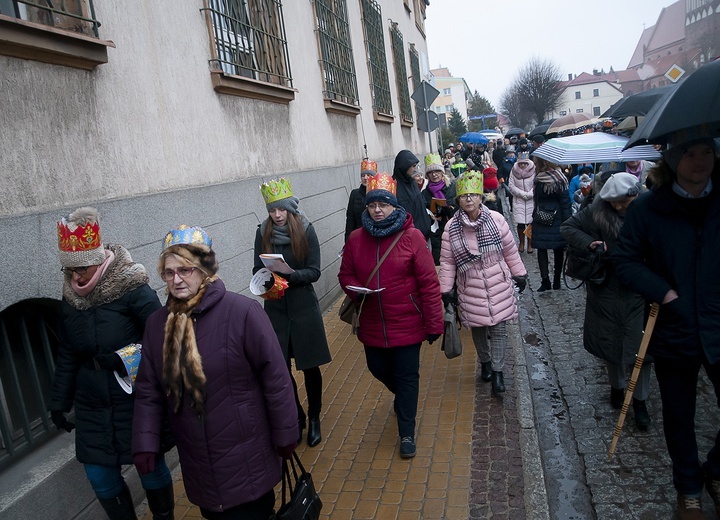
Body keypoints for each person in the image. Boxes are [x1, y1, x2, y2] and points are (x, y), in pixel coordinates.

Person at [132, 225, 298, 520]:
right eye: (169, 273)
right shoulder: (157, 325)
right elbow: (148, 389)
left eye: (185, 269)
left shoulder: (243, 313)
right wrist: (145, 442)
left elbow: (276, 379)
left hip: (247, 460)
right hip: (200, 468)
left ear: (205, 270)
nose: (177, 279)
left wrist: (286, 433)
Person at [614, 130, 720, 519]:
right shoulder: (648, 209)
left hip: (718, 321)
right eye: (690, 153)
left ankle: (716, 471)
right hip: (675, 327)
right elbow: (624, 261)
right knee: (679, 416)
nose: (700, 160)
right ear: (673, 160)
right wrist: (664, 292)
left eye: (707, 151)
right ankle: (689, 489)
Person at [50, 207, 174, 520]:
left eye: (82, 269)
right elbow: (67, 351)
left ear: (100, 260)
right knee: (100, 476)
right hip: (91, 401)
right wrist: (58, 402)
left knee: (150, 465)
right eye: (70, 271)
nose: (76, 277)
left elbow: (163, 339)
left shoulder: (132, 287)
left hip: (134, 396)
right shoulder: (71, 297)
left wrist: (124, 358)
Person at [338, 172, 443, 459]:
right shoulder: (357, 238)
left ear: (395, 207)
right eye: (373, 205)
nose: (378, 210)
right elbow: (345, 274)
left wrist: (434, 323)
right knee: (378, 369)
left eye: (384, 205)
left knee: (408, 377)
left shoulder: (412, 237)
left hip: (408, 321)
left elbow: (429, 283)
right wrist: (356, 291)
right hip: (371, 321)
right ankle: (403, 398)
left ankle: (406, 433)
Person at [560, 173, 652, 431]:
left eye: (624, 201)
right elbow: (568, 227)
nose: (620, 207)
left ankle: (641, 402)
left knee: (641, 348)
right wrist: (591, 243)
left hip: (641, 289)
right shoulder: (597, 210)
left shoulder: (650, 209)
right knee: (611, 342)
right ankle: (617, 387)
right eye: (614, 202)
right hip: (606, 287)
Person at [253, 178, 332, 448]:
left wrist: (291, 275)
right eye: (272, 211)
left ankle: (314, 417)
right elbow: (257, 268)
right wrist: (266, 279)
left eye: (281, 210)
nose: (276, 215)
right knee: (281, 370)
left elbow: (315, 270)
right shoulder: (262, 232)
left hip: (302, 306)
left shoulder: (306, 230)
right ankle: (295, 415)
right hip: (275, 308)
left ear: (290, 209)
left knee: (310, 367)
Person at [438, 172, 527, 394]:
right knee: (478, 329)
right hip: (470, 285)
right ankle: (485, 363)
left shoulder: (497, 220)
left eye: (473, 195)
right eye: (464, 196)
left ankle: (498, 373)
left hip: (498, 282)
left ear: (481, 197)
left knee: (499, 329)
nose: (469, 199)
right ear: (458, 200)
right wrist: (446, 289)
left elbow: (510, 250)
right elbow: (447, 261)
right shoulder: (451, 227)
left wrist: (520, 273)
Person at [531, 156, 572, 291]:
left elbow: (564, 201)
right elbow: (565, 202)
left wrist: (567, 223)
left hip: (550, 217)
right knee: (549, 249)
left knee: (551, 249)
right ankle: (549, 280)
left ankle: (551, 281)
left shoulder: (552, 179)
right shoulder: (556, 178)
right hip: (547, 217)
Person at [422, 153, 456, 265]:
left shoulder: (451, 186)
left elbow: (458, 206)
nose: (434, 175)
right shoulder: (425, 193)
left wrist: (448, 209)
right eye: (431, 172)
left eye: (436, 171)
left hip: (454, 228)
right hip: (436, 232)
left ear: (442, 172)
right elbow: (423, 212)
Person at [392, 149, 432, 240]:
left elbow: (420, 204)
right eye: (413, 166)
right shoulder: (394, 186)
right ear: (404, 166)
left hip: (424, 235)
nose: (415, 169)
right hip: (409, 238)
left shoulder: (412, 182)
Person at [508, 156, 536, 254]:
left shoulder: (534, 170)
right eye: (521, 163)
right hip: (518, 200)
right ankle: (521, 243)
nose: (523, 165)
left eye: (525, 163)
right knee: (520, 224)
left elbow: (536, 184)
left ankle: (529, 243)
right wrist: (522, 194)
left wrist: (530, 193)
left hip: (531, 200)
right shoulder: (513, 171)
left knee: (530, 223)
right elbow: (511, 185)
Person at [345, 159, 378, 242]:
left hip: (375, 238)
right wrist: (347, 241)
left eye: (369, 175)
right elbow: (350, 220)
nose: (365, 178)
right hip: (358, 238)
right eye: (363, 175)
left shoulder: (379, 194)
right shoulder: (354, 194)